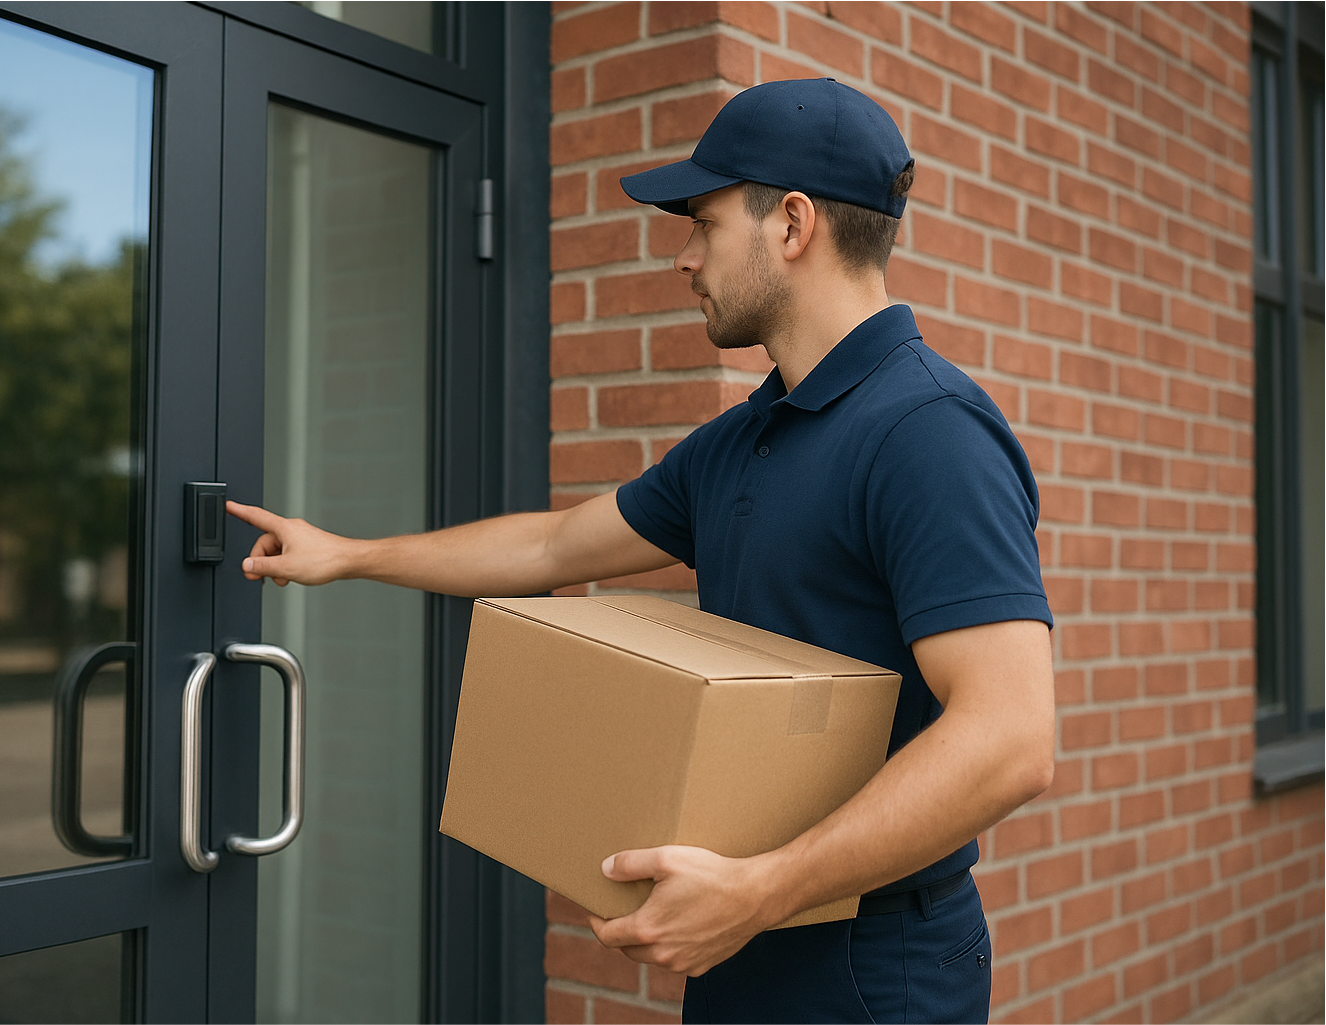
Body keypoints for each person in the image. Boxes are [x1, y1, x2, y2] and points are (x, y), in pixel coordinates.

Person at [228, 77, 1055, 1025]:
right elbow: (549, 544)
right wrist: (345, 554)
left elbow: (1010, 740)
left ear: (791, 224)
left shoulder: (927, 431)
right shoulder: (744, 439)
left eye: (701, 222)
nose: (683, 257)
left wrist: (763, 888)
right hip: (747, 934)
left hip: (872, 962)